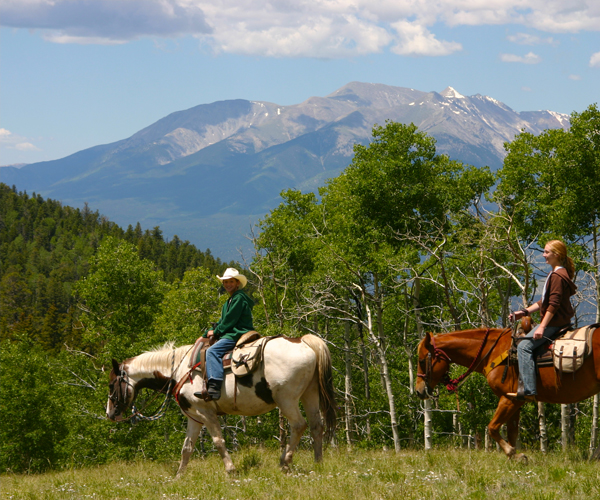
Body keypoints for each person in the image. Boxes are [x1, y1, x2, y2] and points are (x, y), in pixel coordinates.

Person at [507, 240, 577, 402]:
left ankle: (530, 390)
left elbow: (553, 304)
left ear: (556, 255)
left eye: (546, 252)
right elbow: (543, 302)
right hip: (553, 322)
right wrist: (523, 312)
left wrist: (541, 327)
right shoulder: (556, 273)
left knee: (523, 347)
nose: (543, 255)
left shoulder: (558, 276)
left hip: (554, 324)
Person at [193, 268, 254, 401]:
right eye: (225, 282)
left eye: (231, 281)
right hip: (233, 332)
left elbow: (228, 322)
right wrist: (204, 334)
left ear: (237, 283)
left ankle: (214, 386)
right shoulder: (230, 301)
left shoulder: (238, 298)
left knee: (212, 351)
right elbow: (221, 322)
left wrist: (215, 332)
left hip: (236, 333)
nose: (228, 284)